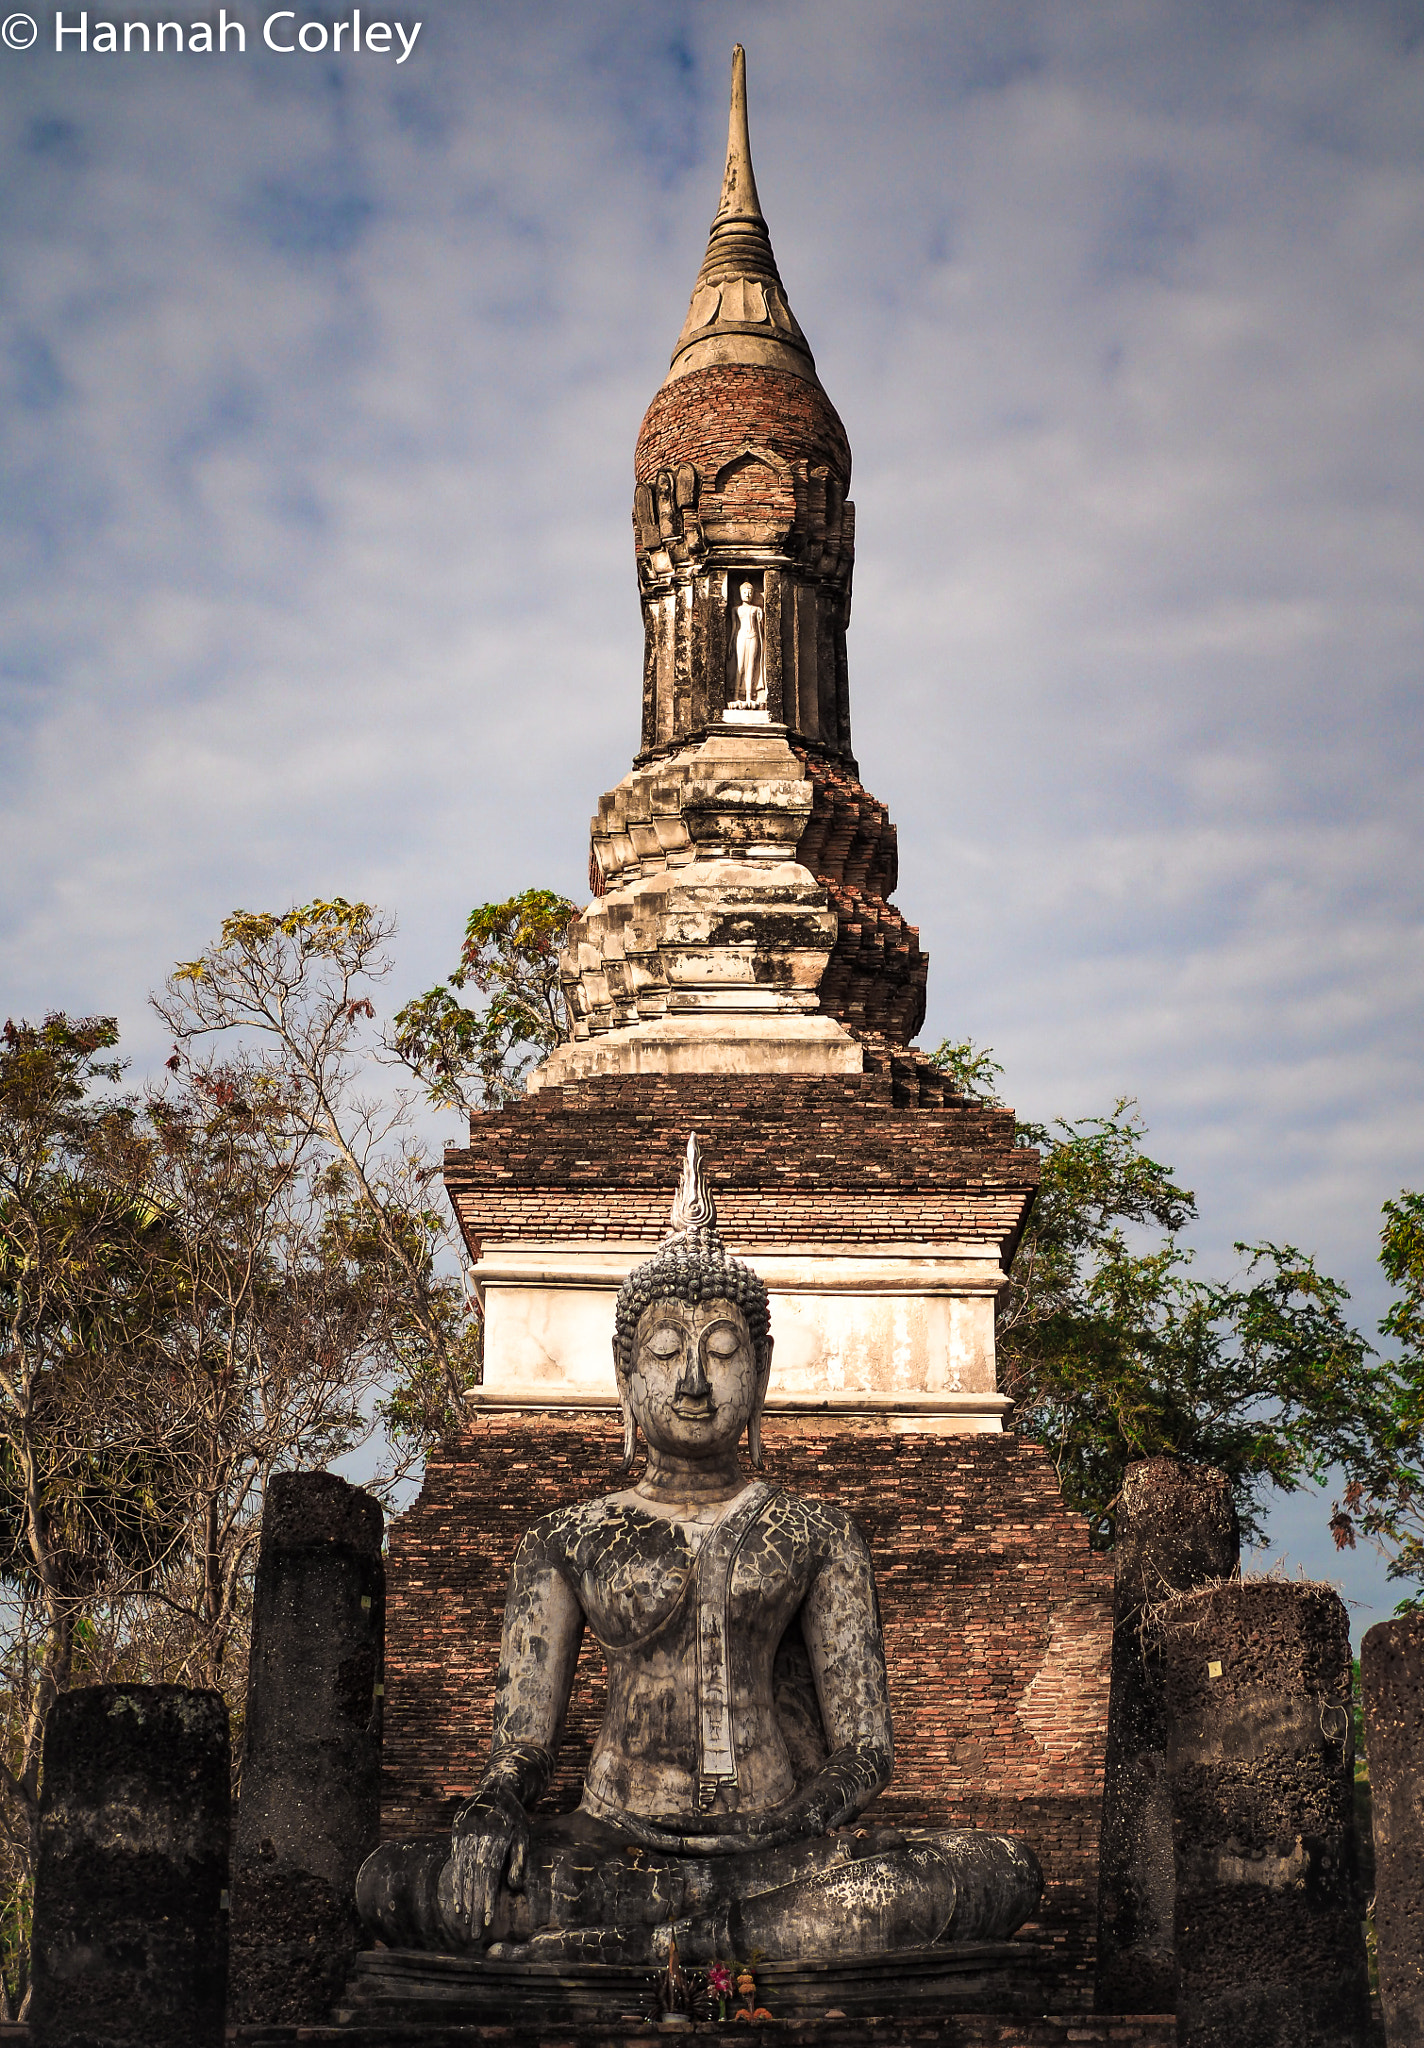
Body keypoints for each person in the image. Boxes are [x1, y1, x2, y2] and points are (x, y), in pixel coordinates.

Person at [356, 1137, 1040, 1963]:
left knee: (990, 1870)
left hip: (778, 1850)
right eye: (667, 1354)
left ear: (761, 1369)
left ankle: (649, 1948)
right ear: (624, 1375)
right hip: (609, 1845)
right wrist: (492, 1811)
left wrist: (792, 1823)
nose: (692, 1383)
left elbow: (865, 1750)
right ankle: (717, 1944)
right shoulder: (565, 1539)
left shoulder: (818, 1534)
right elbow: (522, 1747)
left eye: (719, 1354)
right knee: (396, 1882)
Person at [732, 582, 765, 706]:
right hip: (741, 636)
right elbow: (734, 628)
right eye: (745, 592)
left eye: (750, 592)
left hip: (753, 636)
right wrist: (730, 644)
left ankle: (749, 696)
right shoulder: (736, 609)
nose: (747, 594)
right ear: (740, 593)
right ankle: (736, 695)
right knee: (740, 666)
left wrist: (761, 620)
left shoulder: (756, 609)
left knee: (751, 665)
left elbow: (760, 628)